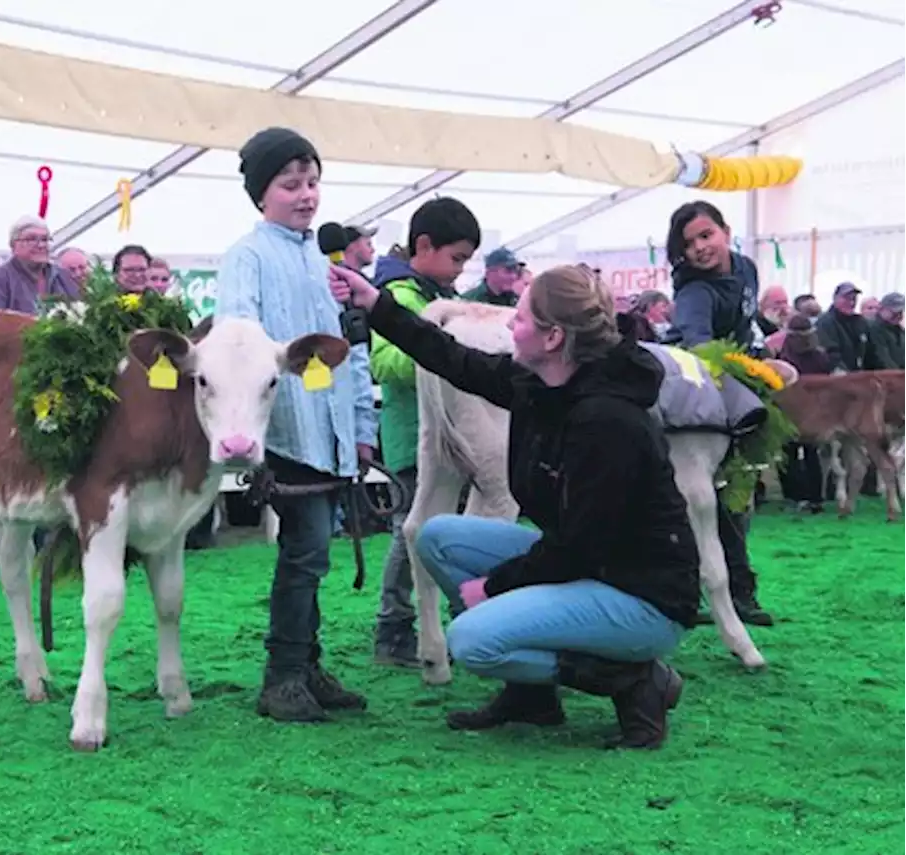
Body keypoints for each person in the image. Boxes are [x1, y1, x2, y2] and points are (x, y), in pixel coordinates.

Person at [328, 262, 698, 750]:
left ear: (553, 339)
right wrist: (376, 305)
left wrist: (496, 586)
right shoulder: (545, 384)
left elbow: (577, 548)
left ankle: (635, 680)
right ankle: (531, 697)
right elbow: (454, 360)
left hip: (642, 596)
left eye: (519, 318)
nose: (508, 325)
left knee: (473, 641)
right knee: (439, 537)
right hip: (594, 569)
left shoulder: (609, 422)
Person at [215, 126, 379, 723]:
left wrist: (360, 425)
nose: (306, 195)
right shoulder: (248, 256)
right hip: (285, 430)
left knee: (313, 550)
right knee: (306, 549)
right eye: (290, 185)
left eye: (312, 183)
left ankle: (305, 665)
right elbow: (237, 345)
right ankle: (283, 673)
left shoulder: (319, 257)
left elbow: (349, 348)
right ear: (263, 193)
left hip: (330, 431)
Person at [368, 196, 480, 667]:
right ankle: (393, 628)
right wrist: (438, 348)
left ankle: (459, 615)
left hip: (448, 434)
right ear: (424, 246)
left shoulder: (430, 295)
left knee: (442, 529)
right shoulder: (398, 295)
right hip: (413, 435)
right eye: (455, 259)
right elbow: (384, 362)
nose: (458, 271)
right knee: (408, 532)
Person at [663, 200, 773, 627]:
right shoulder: (694, 291)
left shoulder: (745, 268)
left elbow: (746, 328)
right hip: (693, 396)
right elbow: (700, 351)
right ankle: (731, 593)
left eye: (706, 235)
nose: (700, 248)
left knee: (734, 495)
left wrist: (764, 355)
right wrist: (757, 370)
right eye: (688, 244)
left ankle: (731, 589)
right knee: (713, 497)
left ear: (726, 231)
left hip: (738, 386)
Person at [777, 315, 832, 512]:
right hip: (806, 411)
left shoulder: (783, 355)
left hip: (798, 411)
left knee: (793, 454)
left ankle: (798, 497)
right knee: (806, 454)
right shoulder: (820, 356)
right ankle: (812, 498)